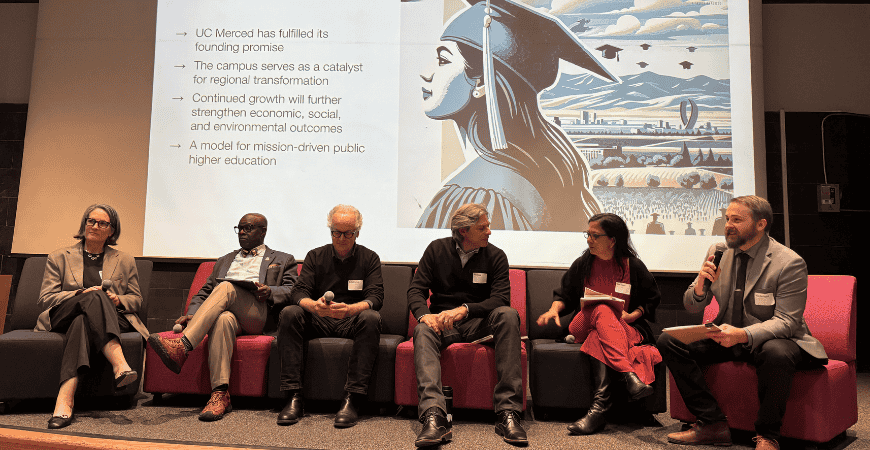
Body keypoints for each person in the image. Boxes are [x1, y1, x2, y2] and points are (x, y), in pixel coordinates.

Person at [415, 0, 618, 232]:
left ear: (481, 82)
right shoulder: (551, 167)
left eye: (443, 60)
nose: (426, 73)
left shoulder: (474, 195)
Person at [657, 196, 828, 450]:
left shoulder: (788, 262)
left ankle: (768, 435)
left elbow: (787, 322)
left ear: (761, 224)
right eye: (727, 219)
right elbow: (691, 306)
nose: (728, 225)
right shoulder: (718, 252)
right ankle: (712, 423)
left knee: (776, 351)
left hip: (774, 339)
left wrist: (743, 334)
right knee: (669, 340)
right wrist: (701, 286)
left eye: (737, 219)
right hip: (727, 333)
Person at [148, 213, 297, 421]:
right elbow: (203, 293)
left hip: (259, 315)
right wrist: (192, 314)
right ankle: (219, 395)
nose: (243, 232)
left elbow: (293, 290)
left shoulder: (282, 259)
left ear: (263, 231)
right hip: (232, 317)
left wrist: (271, 291)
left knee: (226, 286)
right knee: (222, 319)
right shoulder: (225, 260)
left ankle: (183, 346)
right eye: (240, 228)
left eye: (249, 228)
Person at [409, 203, 527, 447]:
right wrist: (424, 315)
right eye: (483, 227)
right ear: (463, 230)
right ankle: (434, 415)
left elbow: (500, 298)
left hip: (478, 323)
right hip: (444, 323)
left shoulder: (495, 256)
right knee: (422, 330)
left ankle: (508, 413)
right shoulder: (436, 250)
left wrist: (465, 310)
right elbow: (416, 290)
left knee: (508, 314)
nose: (489, 232)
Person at [536, 213, 661, 435]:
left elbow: (652, 299)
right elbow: (564, 295)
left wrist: (632, 316)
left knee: (599, 334)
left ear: (612, 240)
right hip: (581, 325)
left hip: (622, 328)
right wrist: (554, 309)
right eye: (588, 234)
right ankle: (628, 374)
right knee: (602, 308)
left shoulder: (632, 266)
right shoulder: (583, 264)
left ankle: (598, 412)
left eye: (594, 235)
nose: (588, 240)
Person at [36, 204, 148, 429]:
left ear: (112, 231)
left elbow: (136, 299)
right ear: (84, 223)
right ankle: (119, 364)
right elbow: (46, 298)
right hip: (63, 314)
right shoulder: (60, 257)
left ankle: (65, 399)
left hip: (110, 317)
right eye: (91, 221)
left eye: (102, 223)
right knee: (93, 297)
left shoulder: (124, 260)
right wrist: (80, 293)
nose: (95, 226)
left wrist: (118, 299)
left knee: (82, 321)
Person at [276, 205, 383, 428]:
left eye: (348, 233)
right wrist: (313, 306)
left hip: (351, 319)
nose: (342, 238)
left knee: (371, 318)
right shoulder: (315, 256)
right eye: (337, 232)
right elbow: (298, 291)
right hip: (319, 318)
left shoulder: (369, 258)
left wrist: (351, 309)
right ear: (330, 230)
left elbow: (376, 297)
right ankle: (293, 396)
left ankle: (352, 399)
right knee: (290, 313)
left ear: (357, 233)